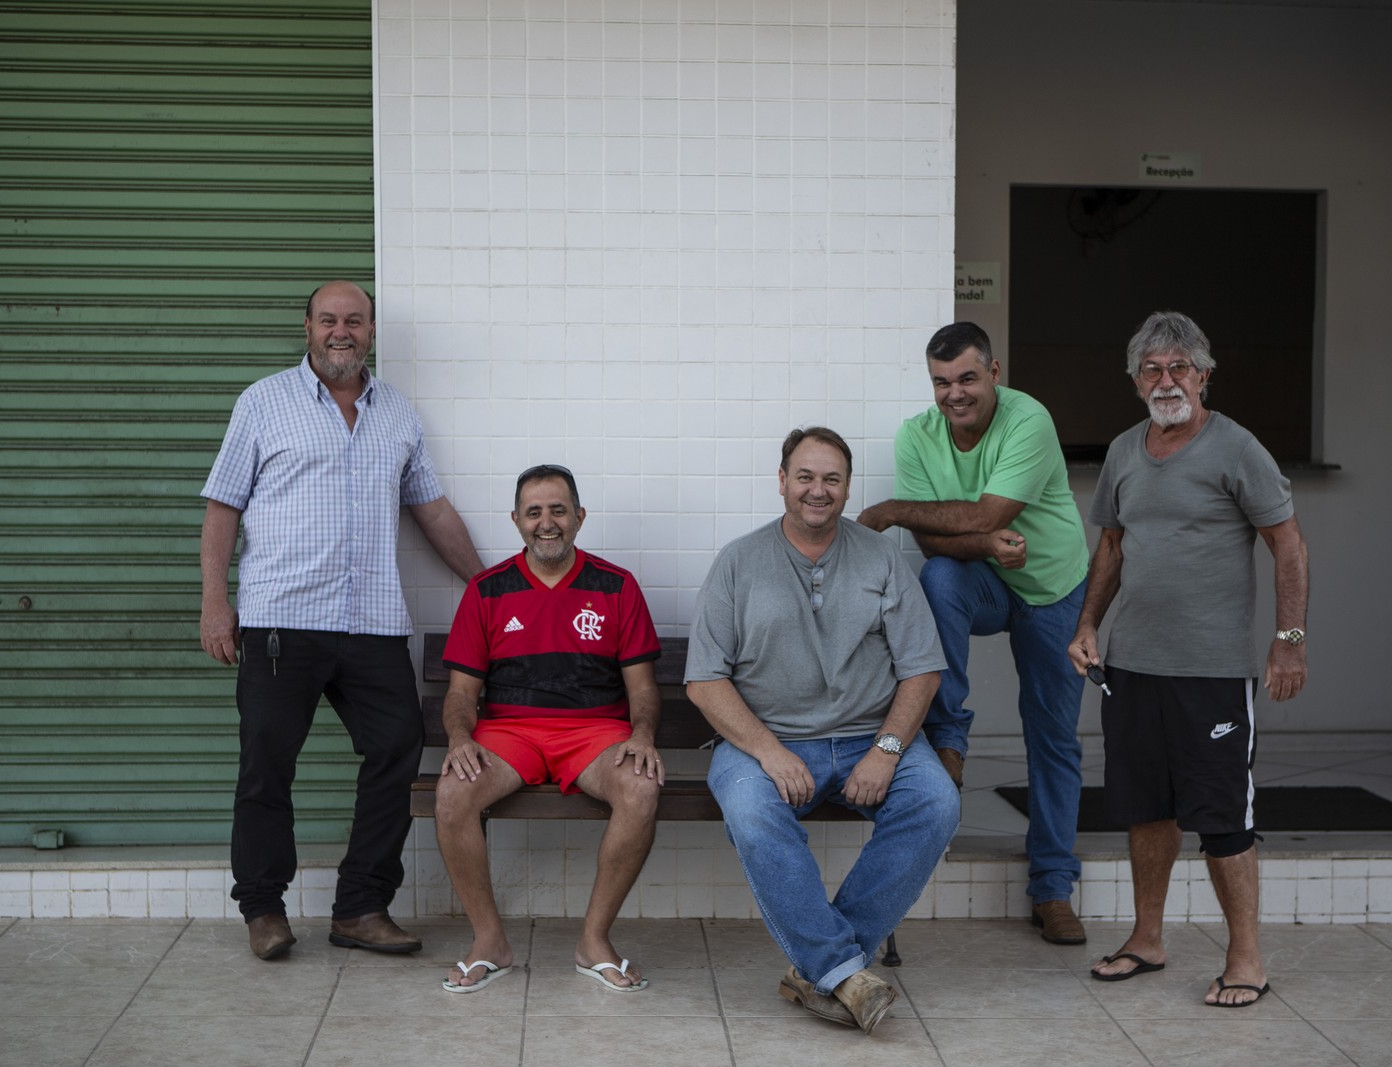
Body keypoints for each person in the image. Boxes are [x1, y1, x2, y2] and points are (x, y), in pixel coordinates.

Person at [200, 280, 484, 960]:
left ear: (372, 331)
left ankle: (361, 904)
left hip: (374, 622)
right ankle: (264, 908)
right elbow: (222, 508)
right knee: (267, 766)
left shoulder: (398, 415)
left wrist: (492, 588)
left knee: (396, 748)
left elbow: (433, 511)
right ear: (307, 327)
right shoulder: (263, 402)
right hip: (280, 621)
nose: (341, 331)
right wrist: (216, 601)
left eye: (354, 320)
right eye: (328, 319)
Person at [1067, 310, 1309, 1007]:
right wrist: (1087, 623)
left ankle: (1247, 960)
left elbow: (1288, 543)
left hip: (1212, 672)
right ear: (1135, 380)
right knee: (1146, 809)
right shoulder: (1122, 451)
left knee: (1223, 814)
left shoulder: (1237, 449)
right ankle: (1147, 938)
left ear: (1204, 375)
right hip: (1134, 665)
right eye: (1152, 369)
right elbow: (1111, 546)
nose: (1166, 380)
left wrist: (1289, 638)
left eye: (1179, 367)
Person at [685, 427, 960, 1035]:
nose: (818, 490)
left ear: (847, 487)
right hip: (765, 741)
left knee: (936, 803)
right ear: (782, 481)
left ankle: (823, 968)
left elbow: (921, 668)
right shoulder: (738, 560)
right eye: (805, 477)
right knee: (754, 814)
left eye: (831, 479)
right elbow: (704, 681)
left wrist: (887, 751)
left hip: (870, 737)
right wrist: (769, 752)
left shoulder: (881, 556)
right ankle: (841, 970)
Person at [855, 321, 1091, 945]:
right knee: (938, 576)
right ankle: (949, 735)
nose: (954, 393)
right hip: (985, 578)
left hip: (1053, 589)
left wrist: (895, 510)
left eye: (966, 378)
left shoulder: (1028, 419)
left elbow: (985, 511)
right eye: (940, 382)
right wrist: (980, 542)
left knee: (1052, 736)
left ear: (993, 371)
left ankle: (1053, 888)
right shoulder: (917, 435)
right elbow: (939, 540)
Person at [433, 464, 663, 994]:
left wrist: (643, 735)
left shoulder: (617, 587)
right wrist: (460, 739)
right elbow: (461, 695)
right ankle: (489, 942)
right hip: (509, 735)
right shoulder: (487, 591)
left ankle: (594, 941)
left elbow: (644, 691)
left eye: (558, 510)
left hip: (595, 734)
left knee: (641, 788)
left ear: (579, 516)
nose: (547, 523)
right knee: (451, 795)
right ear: (516, 520)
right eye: (534, 512)